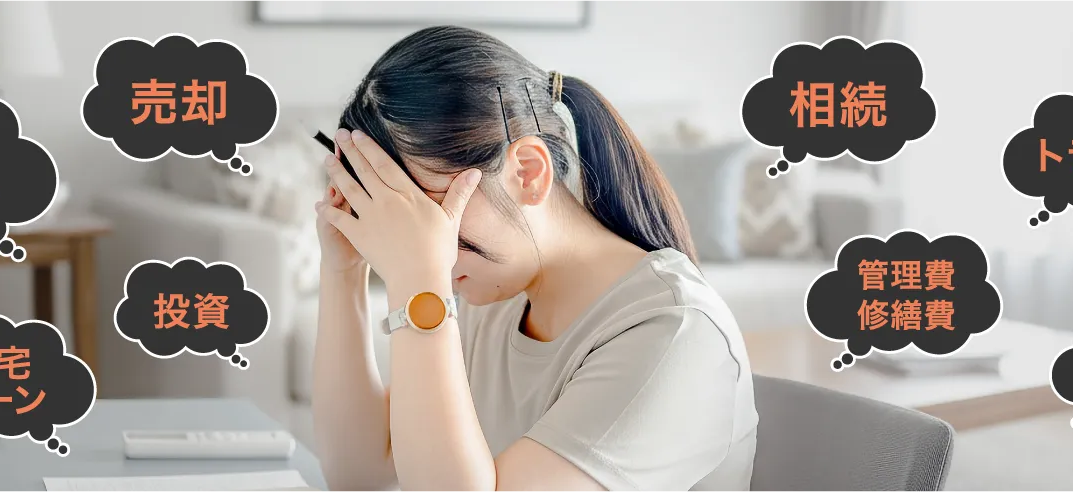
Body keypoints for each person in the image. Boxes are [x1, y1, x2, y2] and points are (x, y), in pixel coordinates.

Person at [311, 26, 757, 491]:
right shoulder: (497, 295)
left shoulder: (671, 332)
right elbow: (358, 473)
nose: (421, 244)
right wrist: (344, 270)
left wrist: (418, 283)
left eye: (426, 213)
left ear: (527, 172)